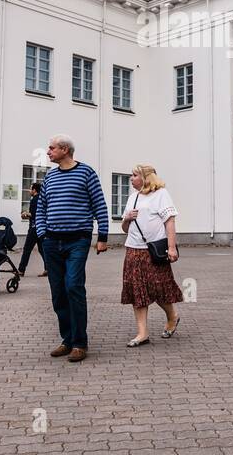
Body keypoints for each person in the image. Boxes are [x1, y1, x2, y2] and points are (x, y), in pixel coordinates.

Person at [38, 134, 109, 362]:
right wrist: (42, 234)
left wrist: (103, 236)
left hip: (77, 240)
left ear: (65, 149)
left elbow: (99, 204)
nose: (48, 152)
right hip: (52, 241)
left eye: (51, 148)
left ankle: (80, 343)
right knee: (58, 293)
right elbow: (41, 207)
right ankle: (66, 340)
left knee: (74, 287)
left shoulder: (86, 173)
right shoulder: (50, 177)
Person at [119, 164, 182, 345]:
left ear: (146, 177)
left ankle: (172, 316)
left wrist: (171, 248)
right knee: (137, 291)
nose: (131, 178)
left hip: (153, 251)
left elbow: (170, 222)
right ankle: (142, 333)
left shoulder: (161, 194)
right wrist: (127, 218)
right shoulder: (133, 198)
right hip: (133, 250)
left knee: (159, 289)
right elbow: (124, 229)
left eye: (134, 175)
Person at [17, 181, 46, 277]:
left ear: (34, 190)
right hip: (41, 228)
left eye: (30, 188)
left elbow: (34, 215)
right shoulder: (41, 199)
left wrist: (25, 214)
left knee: (27, 249)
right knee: (42, 250)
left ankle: (21, 270)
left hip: (34, 228)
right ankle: (48, 269)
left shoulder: (34, 200)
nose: (29, 190)